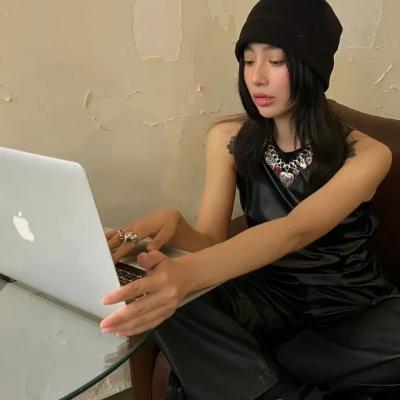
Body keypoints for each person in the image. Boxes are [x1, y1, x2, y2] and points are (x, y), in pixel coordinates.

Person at [100, 0, 400, 398]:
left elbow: (296, 230)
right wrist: (176, 230)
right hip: (267, 301)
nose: (257, 77)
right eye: (247, 61)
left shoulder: (367, 154)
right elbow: (212, 245)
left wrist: (187, 274)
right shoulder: (228, 139)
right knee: (164, 299)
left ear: (311, 68)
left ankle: (252, 379)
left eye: (275, 62)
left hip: (351, 311)